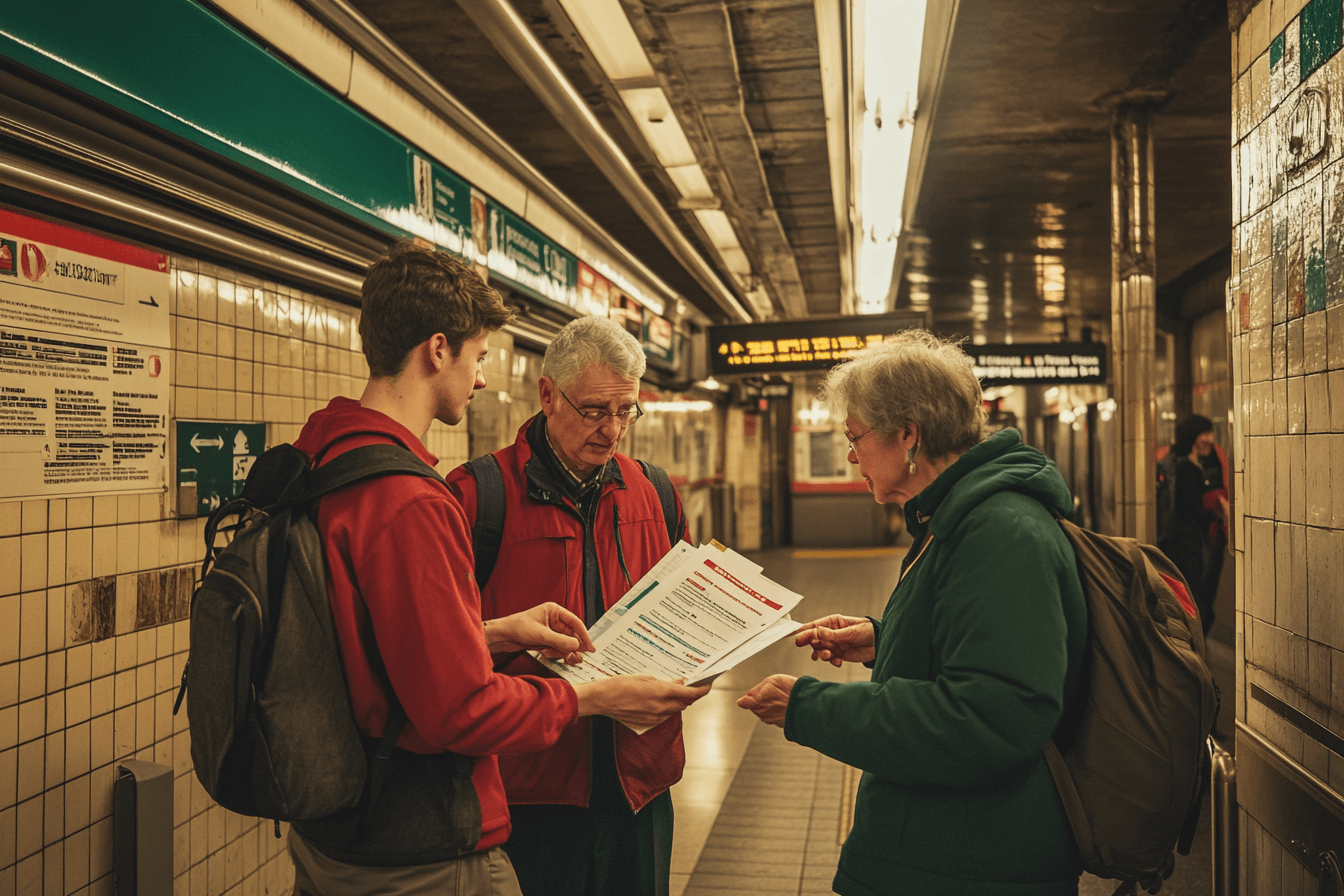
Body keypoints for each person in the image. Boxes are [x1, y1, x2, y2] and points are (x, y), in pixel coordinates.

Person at [287, 241, 702, 895]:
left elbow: (384, 648)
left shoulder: (323, 453)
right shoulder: (418, 498)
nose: (482, 378)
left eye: (626, 412)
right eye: (479, 356)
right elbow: (457, 708)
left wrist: (499, 632)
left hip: (351, 819)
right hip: (425, 824)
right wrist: (590, 697)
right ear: (438, 350)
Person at [738, 331, 1089, 896]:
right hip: (944, 851)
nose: (850, 455)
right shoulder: (953, 520)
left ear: (908, 434)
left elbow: (992, 717)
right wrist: (885, 639)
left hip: (972, 863)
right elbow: (977, 651)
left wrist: (808, 706)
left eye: (856, 438)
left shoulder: (999, 532)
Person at [447, 315, 709, 896]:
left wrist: (701, 661)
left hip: (639, 785)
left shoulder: (655, 492)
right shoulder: (478, 497)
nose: (613, 429)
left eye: (626, 411)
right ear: (548, 395)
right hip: (529, 789)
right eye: (595, 410)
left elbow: (687, 609)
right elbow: (444, 643)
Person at [1157, 414, 1229, 634]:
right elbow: (1187, 506)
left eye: (1211, 433)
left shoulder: (1205, 464)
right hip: (1185, 544)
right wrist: (1218, 514)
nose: (1210, 439)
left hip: (1203, 542)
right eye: (1204, 434)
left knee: (1202, 599)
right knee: (1192, 599)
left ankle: (1195, 647)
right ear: (1192, 437)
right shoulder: (1180, 467)